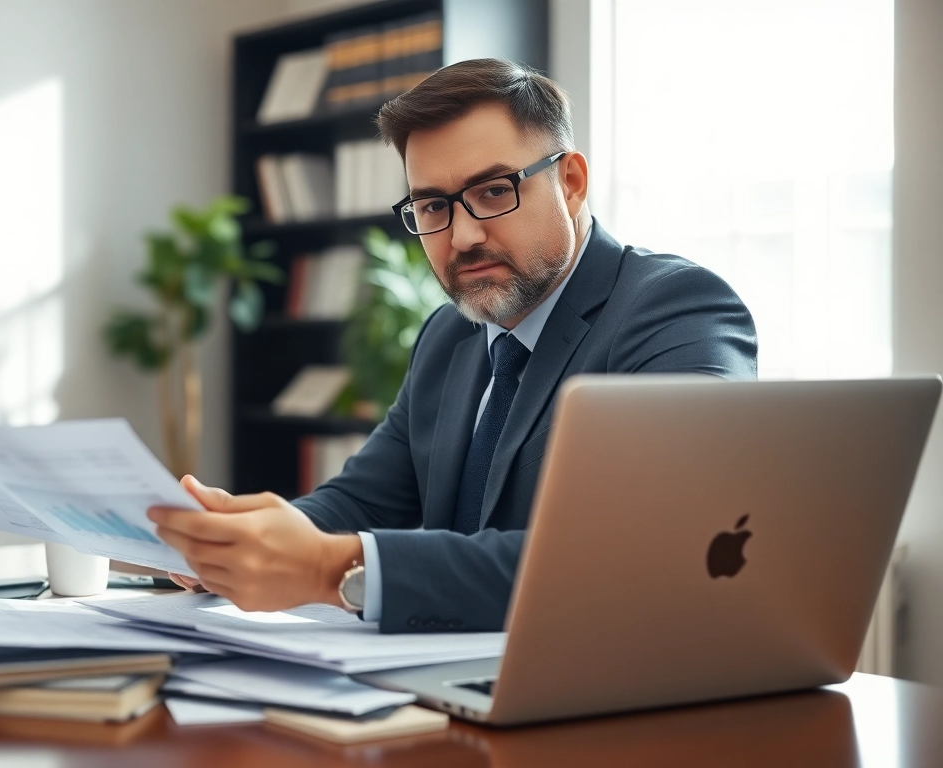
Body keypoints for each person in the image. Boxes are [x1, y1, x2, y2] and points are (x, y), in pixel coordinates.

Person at [147, 58, 757, 633]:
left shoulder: (677, 311)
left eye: (494, 191)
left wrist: (330, 569)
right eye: (433, 205)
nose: (462, 235)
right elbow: (366, 499)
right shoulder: (448, 336)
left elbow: (650, 547)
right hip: (455, 684)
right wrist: (242, 542)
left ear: (570, 182)